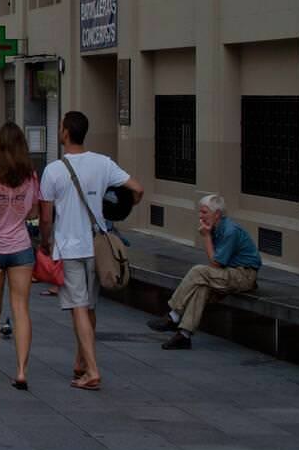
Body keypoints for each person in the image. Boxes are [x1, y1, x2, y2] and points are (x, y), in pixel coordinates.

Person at [38, 111, 143, 391]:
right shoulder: (103, 163)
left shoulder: (54, 170)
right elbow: (137, 189)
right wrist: (116, 210)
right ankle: (81, 360)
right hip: (96, 245)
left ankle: (92, 370)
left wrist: (45, 243)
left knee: (78, 307)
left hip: (70, 246)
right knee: (89, 306)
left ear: (64, 133)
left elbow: (46, 217)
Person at [148, 194, 261, 350]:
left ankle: (174, 315)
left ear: (217, 214)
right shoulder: (217, 228)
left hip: (243, 275)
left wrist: (206, 236)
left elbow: (215, 263)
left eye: (204, 212)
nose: (200, 216)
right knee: (201, 286)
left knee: (198, 271)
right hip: (229, 273)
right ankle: (184, 335)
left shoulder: (230, 231)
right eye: (200, 212)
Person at [0, 123, 39, 390]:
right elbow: (33, 213)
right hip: (22, 248)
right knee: (21, 309)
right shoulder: (30, 177)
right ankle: (22, 370)